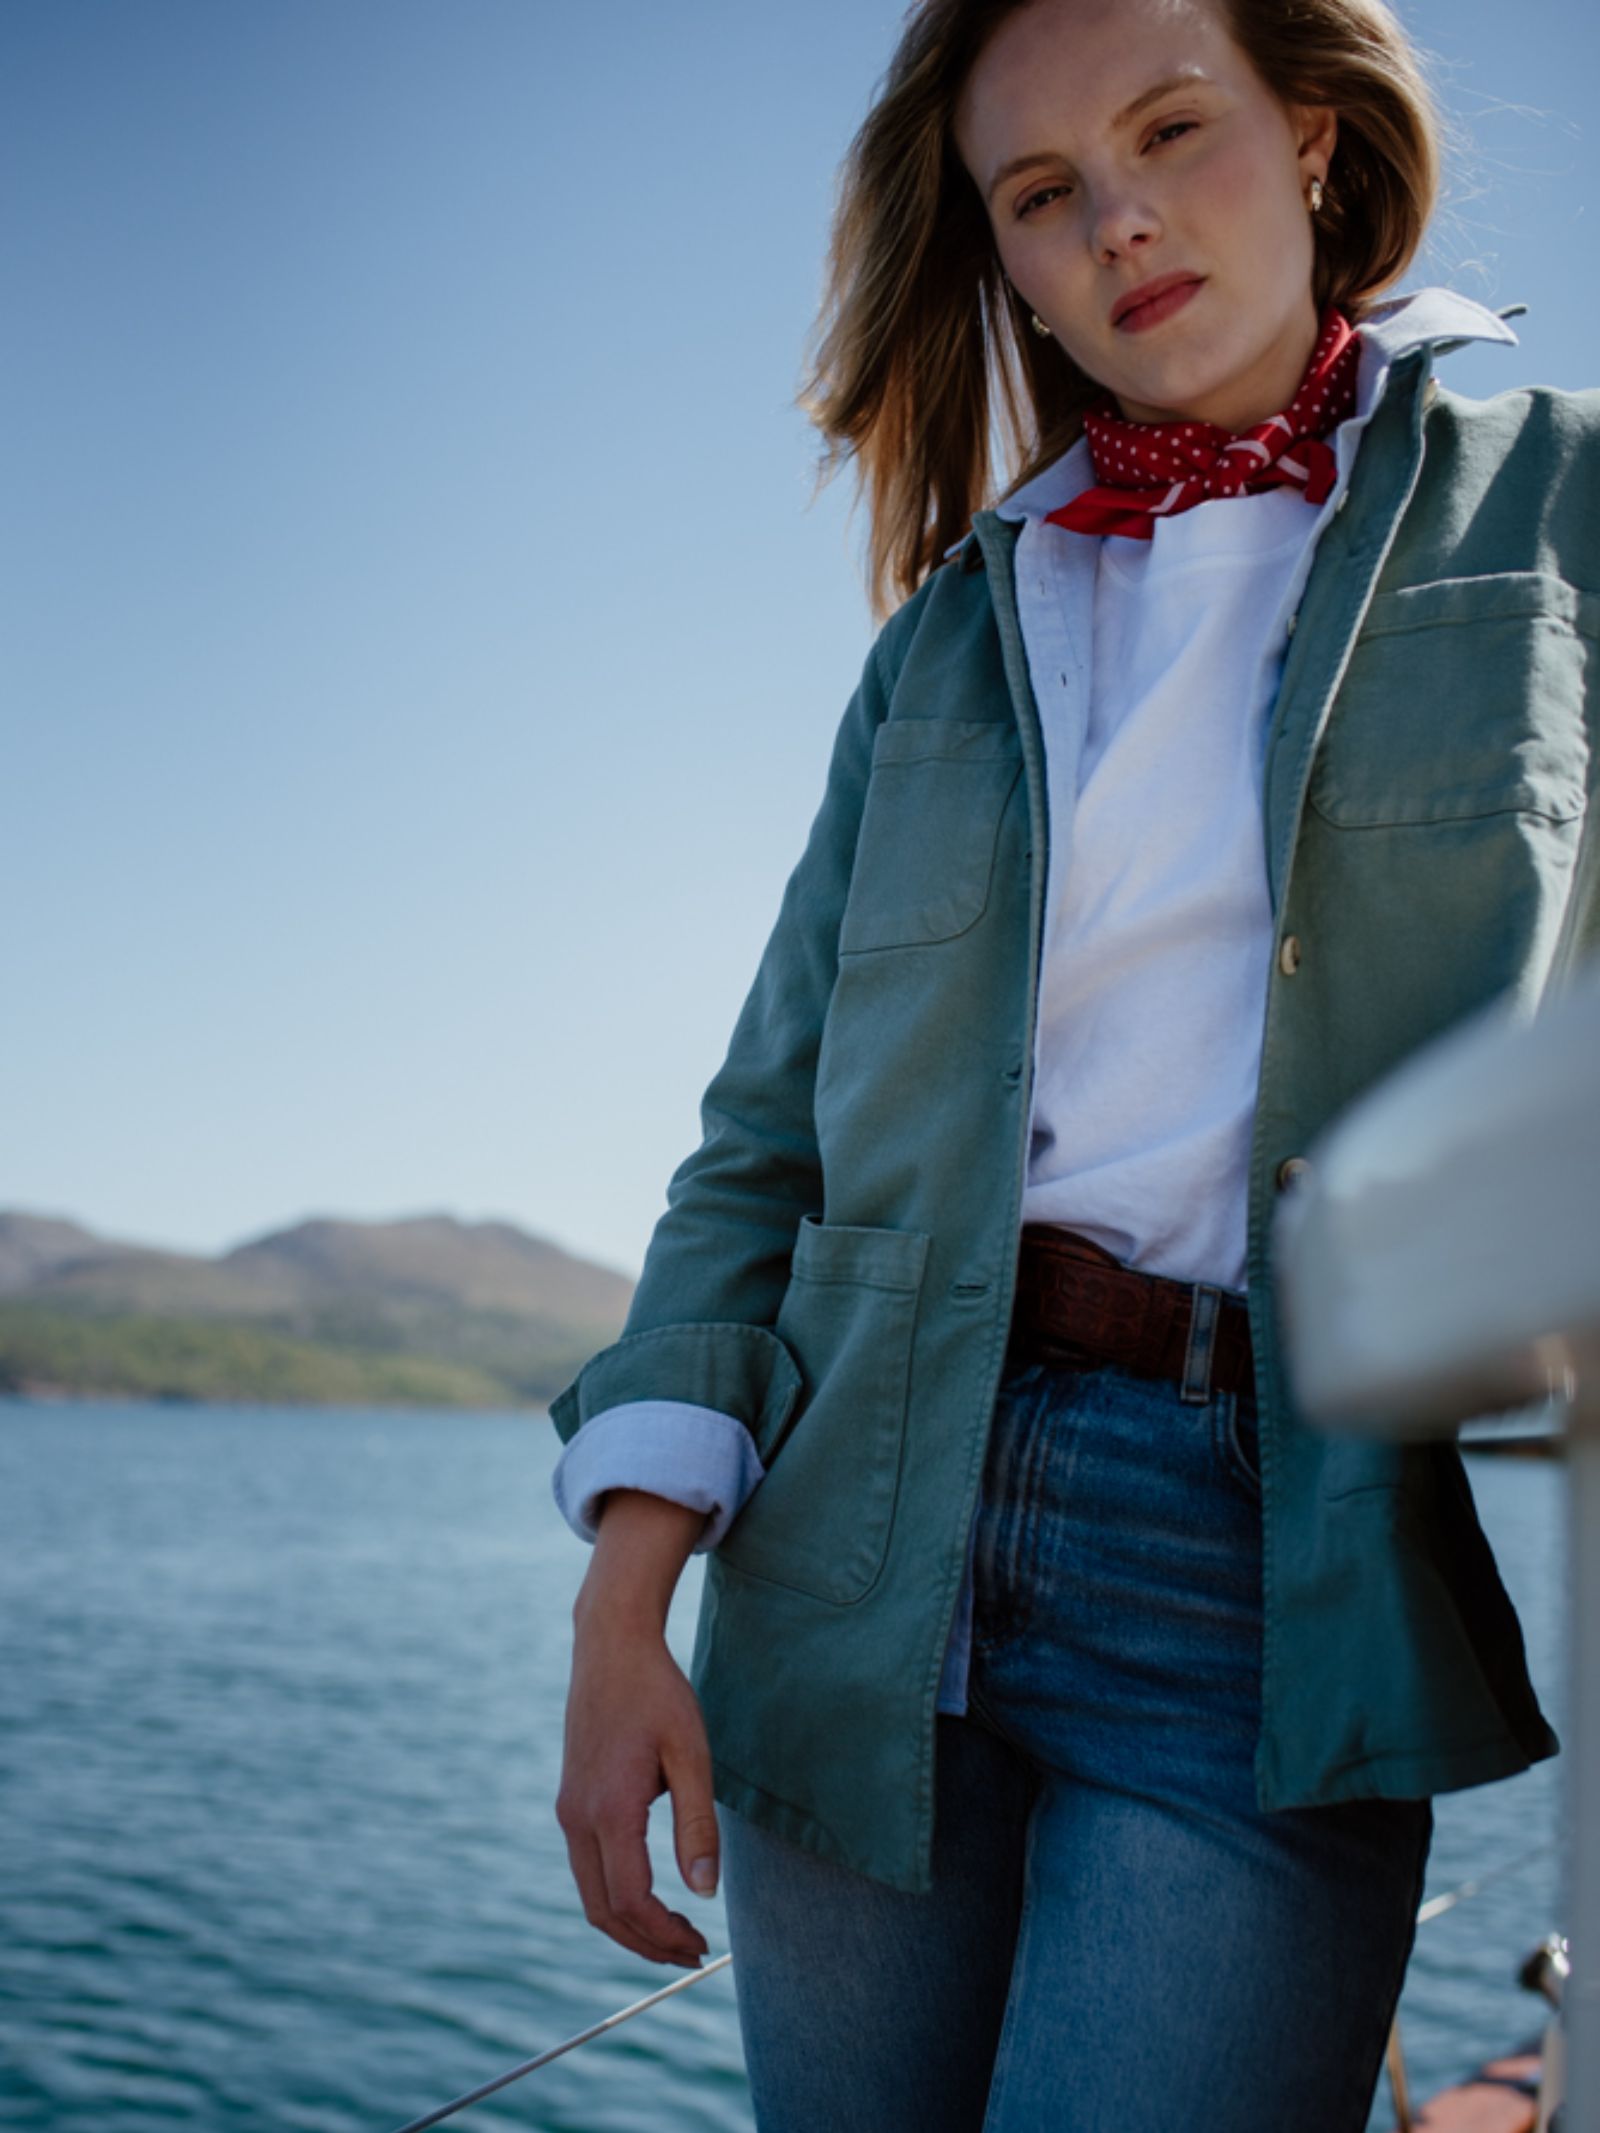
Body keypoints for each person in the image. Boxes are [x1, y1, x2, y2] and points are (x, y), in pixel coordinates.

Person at [546, 0, 1598, 2126]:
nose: (1116, 220)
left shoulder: (1560, 508)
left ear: (1311, 136)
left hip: (1265, 1564)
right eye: (1040, 194)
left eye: (1167, 130)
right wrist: (623, 1600)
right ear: (1004, 259)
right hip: (850, 1561)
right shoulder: (950, 630)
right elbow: (759, 1149)